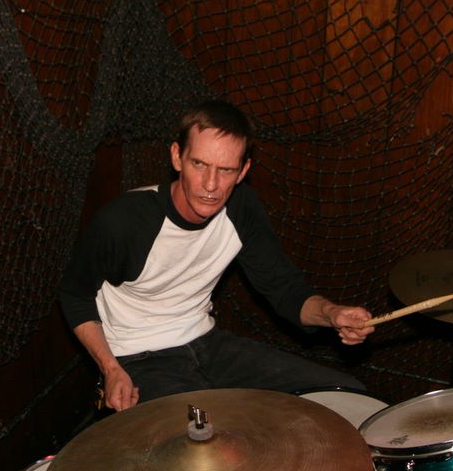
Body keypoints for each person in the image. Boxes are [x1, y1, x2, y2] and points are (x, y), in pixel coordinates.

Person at [59, 100, 374, 411]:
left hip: (207, 341)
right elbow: (75, 295)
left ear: (243, 171)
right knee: (211, 436)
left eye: (226, 170)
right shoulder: (125, 220)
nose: (211, 184)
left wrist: (332, 314)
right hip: (136, 356)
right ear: (177, 157)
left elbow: (284, 289)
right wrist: (110, 368)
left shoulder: (241, 208)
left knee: (346, 398)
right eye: (200, 164)